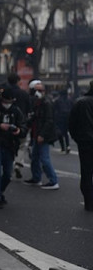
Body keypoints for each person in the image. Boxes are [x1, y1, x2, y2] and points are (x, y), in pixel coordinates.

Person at [0, 87, 27, 209]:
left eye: (10, 102)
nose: (7, 104)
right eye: (6, 102)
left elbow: (23, 126)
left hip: (10, 145)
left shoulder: (16, 111)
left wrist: (18, 131)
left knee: (7, 174)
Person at [23, 81, 60, 190]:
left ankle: (53, 180)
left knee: (44, 158)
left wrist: (42, 135)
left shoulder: (46, 103)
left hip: (42, 135)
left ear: (44, 91)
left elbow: (49, 121)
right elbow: (35, 117)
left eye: (40, 90)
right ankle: (36, 178)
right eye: (35, 90)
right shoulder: (37, 102)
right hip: (36, 133)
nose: (37, 93)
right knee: (35, 157)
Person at [68, 80, 93, 211]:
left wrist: (77, 138)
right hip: (85, 140)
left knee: (86, 172)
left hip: (85, 142)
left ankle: (89, 202)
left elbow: (71, 123)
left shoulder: (80, 102)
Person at [6, 73, 31, 179]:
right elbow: (29, 108)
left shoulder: (6, 92)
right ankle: (18, 163)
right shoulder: (23, 93)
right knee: (23, 144)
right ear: (18, 81)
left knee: (8, 145)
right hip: (21, 122)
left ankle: (7, 168)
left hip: (7, 122)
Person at [53, 89, 73, 154]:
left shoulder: (57, 101)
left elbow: (54, 109)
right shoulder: (70, 100)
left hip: (59, 118)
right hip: (68, 118)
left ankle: (63, 147)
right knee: (65, 133)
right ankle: (68, 145)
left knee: (60, 133)